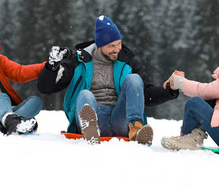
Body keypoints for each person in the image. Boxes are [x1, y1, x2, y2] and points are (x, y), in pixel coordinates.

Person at [38, 15, 179, 145]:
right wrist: (51, 68)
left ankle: (135, 129)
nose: (117, 49)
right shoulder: (79, 61)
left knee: (134, 79)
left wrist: (169, 91)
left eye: (119, 43)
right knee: (84, 94)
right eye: (111, 46)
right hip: (93, 114)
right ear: (99, 45)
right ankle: (90, 129)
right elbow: (46, 88)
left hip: (120, 118)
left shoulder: (127, 62)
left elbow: (145, 94)